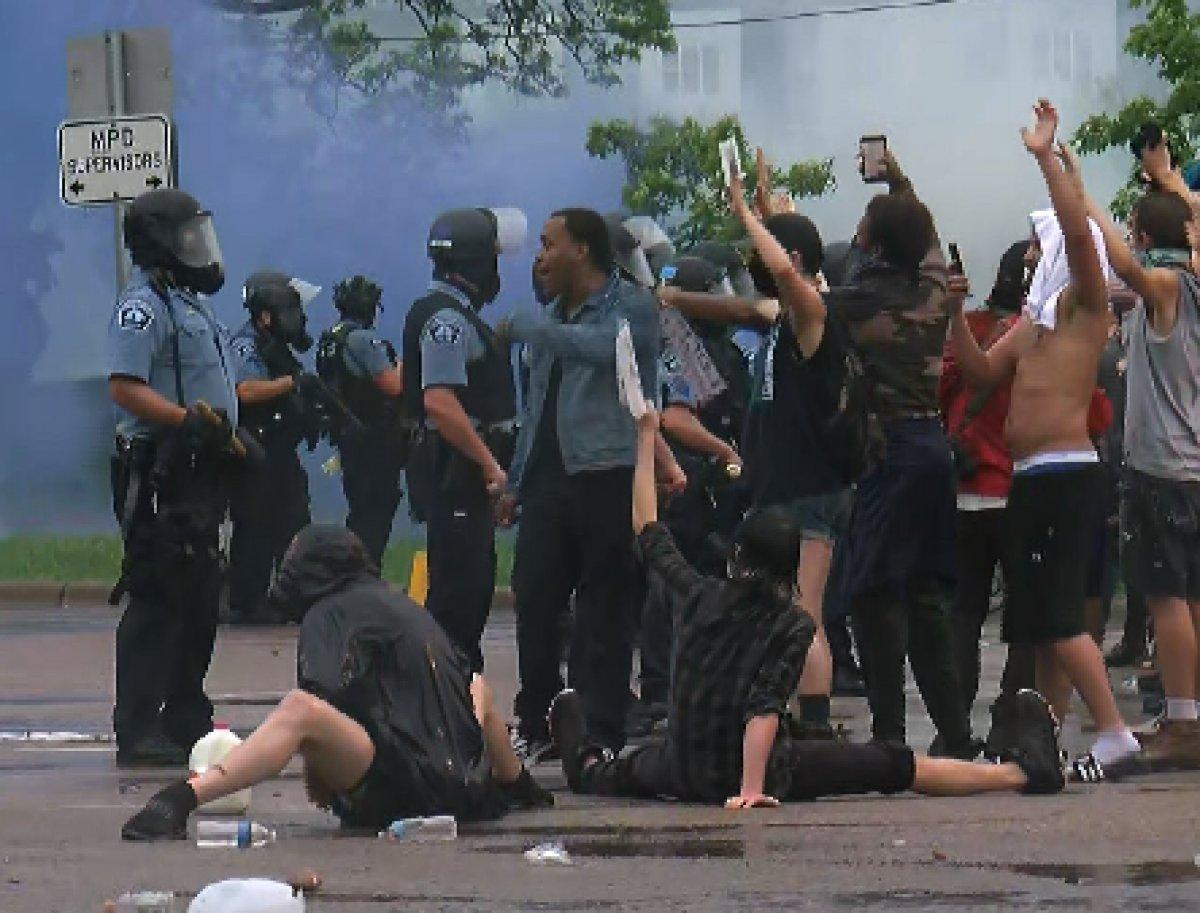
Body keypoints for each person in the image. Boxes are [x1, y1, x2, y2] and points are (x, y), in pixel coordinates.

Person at [547, 411, 1065, 807]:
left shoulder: (697, 593)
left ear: (735, 557)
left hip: (684, 766)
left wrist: (645, 439)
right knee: (895, 765)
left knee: (619, 772)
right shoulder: (791, 623)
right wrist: (751, 790)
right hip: (763, 770)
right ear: (791, 570)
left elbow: (647, 528)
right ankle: (1019, 773)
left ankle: (585, 761)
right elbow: (763, 706)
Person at [120, 524, 551, 841]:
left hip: (406, 795)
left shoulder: (328, 613)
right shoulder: (403, 606)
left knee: (299, 710)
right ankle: (519, 785)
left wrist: (320, 771)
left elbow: (319, 695)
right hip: (468, 790)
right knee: (476, 686)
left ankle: (180, 799)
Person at [947, 99, 1141, 779]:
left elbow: (1080, 235)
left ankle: (1114, 733)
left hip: (1064, 472)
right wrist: (954, 312)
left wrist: (1045, 159)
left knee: (1059, 618)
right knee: (1038, 623)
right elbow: (979, 373)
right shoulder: (1034, 323)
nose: (1030, 253)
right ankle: (1048, 740)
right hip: (1031, 478)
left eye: (1038, 243)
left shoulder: (1086, 305)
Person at [826, 149, 975, 758]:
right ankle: (955, 732)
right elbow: (928, 239)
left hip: (887, 451)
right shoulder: (935, 292)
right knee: (927, 593)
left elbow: (792, 300)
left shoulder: (858, 299)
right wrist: (899, 178)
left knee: (874, 592)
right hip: (932, 446)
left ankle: (889, 733)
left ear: (874, 242)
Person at [497, 207, 660, 758]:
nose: (540, 258)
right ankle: (539, 722)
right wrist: (515, 482)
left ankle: (599, 730)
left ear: (583, 249)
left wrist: (532, 330)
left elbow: (605, 349)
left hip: (607, 474)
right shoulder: (552, 316)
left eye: (549, 245)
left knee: (604, 609)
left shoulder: (632, 307)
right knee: (535, 598)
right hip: (549, 480)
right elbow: (535, 409)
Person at [1075, 132, 1200, 769]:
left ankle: (1184, 722)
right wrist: (1171, 179)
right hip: (1192, 464)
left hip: (1163, 465)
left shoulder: (1168, 286)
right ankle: (1190, 710)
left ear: (1146, 237)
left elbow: (1127, 269)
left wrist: (1081, 196)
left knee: (1166, 597)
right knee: (1192, 596)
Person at [107, 188, 241, 765]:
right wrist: (186, 421)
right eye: (188, 236)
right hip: (158, 470)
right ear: (160, 240)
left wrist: (230, 435)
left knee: (200, 592)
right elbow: (125, 386)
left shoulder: (189, 302)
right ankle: (139, 728)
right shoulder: (143, 306)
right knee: (158, 594)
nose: (198, 246)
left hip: (198, 469)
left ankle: (186, 716)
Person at [727, 169, 855, 742]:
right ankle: (789, 716)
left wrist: (745, 213)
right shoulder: (785, 316)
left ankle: (817, 726)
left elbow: (784, 268)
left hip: (808, 486)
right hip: (783, 484)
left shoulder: (813, 314)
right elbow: (784, 267)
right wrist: (768, 212)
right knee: (782, 613)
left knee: (804, 614)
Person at [401, 208, 520, 672]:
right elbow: (440, 402)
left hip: (462, 479)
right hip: (457, 478)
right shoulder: (447, 320)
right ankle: (448, 695)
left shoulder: (451, 314)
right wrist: (491, 466)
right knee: (457, 602)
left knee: (471, 590)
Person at [938, 240, 1036, 753]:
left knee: (963, 610)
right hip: (1019, 489)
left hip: (965, 488)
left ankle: (954, 728)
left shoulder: (968, 328)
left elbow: (939, 389)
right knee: (1024, 617)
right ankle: (1007, 725)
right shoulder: (1038, 335)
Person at [227, 270, 322, 624]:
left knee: (293, 523)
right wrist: (291, 384)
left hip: (279, 451)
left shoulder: (276, 349)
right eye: (289, 311)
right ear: (265, 316)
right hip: (255, 450)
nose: (296, 320)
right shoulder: (246, 345)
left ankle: (290, 597)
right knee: (255, 526)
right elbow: (245, 390)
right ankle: (248, 602)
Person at [315, 276, 406, 568]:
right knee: (375, 512)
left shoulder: (330, 339)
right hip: (373, 438)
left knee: (360, 510)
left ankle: (353, 573)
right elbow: (393, 386)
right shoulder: (363, 340)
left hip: (347, 434)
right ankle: (364, 574)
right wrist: (405, 365)